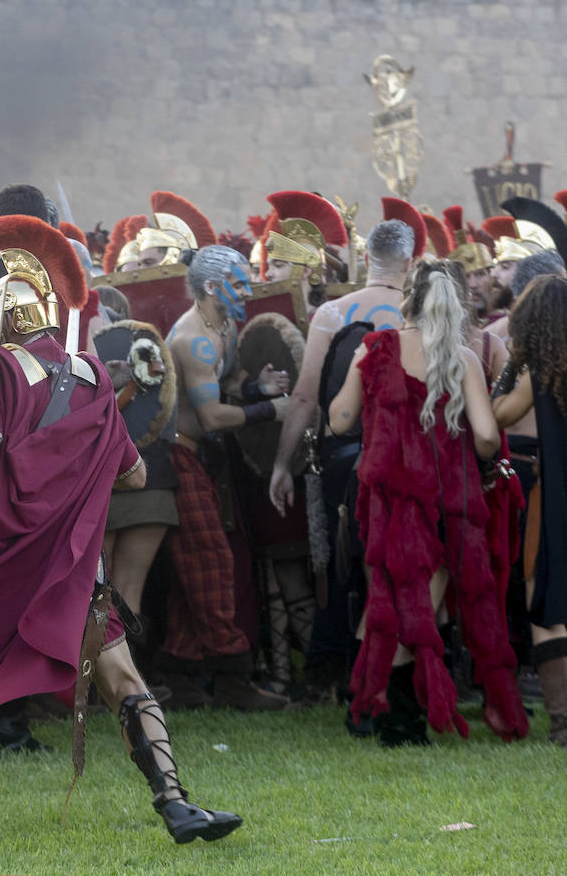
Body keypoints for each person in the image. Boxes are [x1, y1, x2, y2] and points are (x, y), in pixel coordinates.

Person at [0, 216, 242, 848]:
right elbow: (134, 472)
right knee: (123, 678)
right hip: (70, 573)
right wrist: (75, 476)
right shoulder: (92, 373)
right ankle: (175, 805)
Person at [332, 263, 528, 746]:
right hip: (443, 502)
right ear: (455, 302)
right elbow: (485, 435)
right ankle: (397, 723)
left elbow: (339, 420)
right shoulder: (461, 357)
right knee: (416, 605)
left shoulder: (376, 348)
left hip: (384, 501)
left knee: (385, 599)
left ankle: (363, 705)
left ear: (408, 299)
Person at [268, 219, 415, 698]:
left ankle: (344, 673)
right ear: (409, 263)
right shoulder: (420, 314)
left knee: (344, 564)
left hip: (342, 457)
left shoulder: (332, 314)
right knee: (403, 563)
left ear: (368, 258)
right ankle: (394, 676)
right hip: (408, 458)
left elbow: (306, 398)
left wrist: (281, 465)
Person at [159, 245, 290, 709]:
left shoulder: (223, 324)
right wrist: (270, 408)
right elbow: (212, 416)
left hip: (203, 460)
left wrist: (258, 389)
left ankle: (182, 674)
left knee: (196, 566)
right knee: (211, 561)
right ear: (212, 288)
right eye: (237, 283)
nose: (247, 289)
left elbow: (226, 389)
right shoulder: (194, 338)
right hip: (179, 456)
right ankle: (234, 677)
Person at [493, 275, 567, 744]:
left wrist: (512, 365)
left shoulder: (539, 375)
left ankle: (562, 718)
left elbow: (498, 413)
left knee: (545, 597)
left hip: (554, 497)